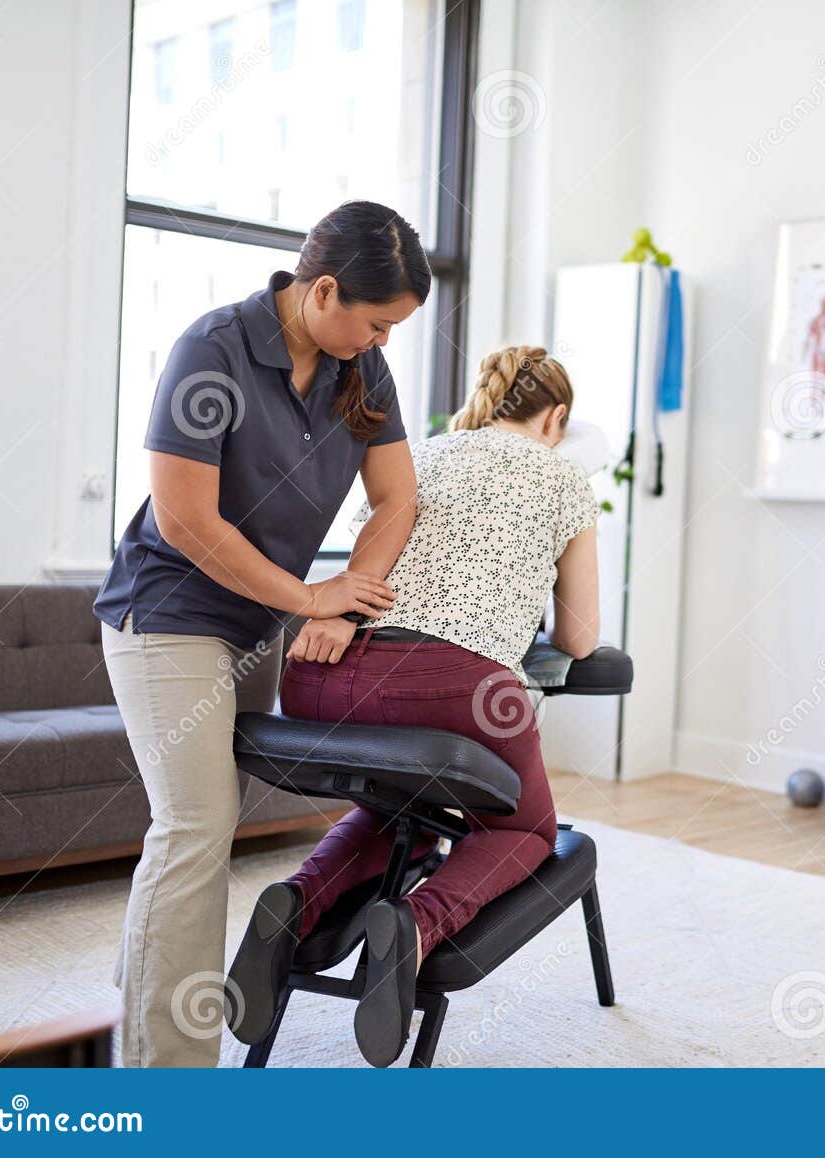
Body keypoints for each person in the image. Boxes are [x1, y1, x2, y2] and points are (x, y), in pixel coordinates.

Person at [92, 201, 431, 1067]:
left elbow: (397, 500)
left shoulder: (360, 370)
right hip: (168, 614)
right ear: (325, 290)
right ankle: (166, 1080)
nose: (385, 341)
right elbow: (185, 522)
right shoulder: (213, 350)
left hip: (256, 618)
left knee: (214, 826)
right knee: (195, 825)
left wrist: (346, 603)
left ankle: (149, 1032)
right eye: (380, 321)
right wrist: (310, 601)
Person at [224, 345, 601, 1067]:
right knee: (526, 827)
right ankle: (417, 925)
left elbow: (372, 558)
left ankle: (298, 902)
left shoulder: (417, 455)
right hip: (453, 684)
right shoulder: (562, 477)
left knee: (403, 810)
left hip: (317, 674)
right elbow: (579, 637)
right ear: (556, 416)